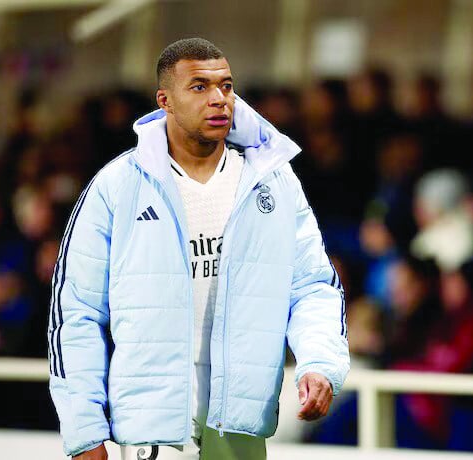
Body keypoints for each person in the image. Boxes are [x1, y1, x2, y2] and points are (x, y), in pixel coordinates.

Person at [47, 38, 350, 460]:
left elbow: (314, 286)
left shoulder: (272, 183)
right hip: (155, 422)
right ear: (165, 100)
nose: (219, 100)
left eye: (226, 86)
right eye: (199, 87)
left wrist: (320, 362)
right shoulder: (117, 187)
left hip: (241, 417)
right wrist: (85, 430)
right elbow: (76, 314)